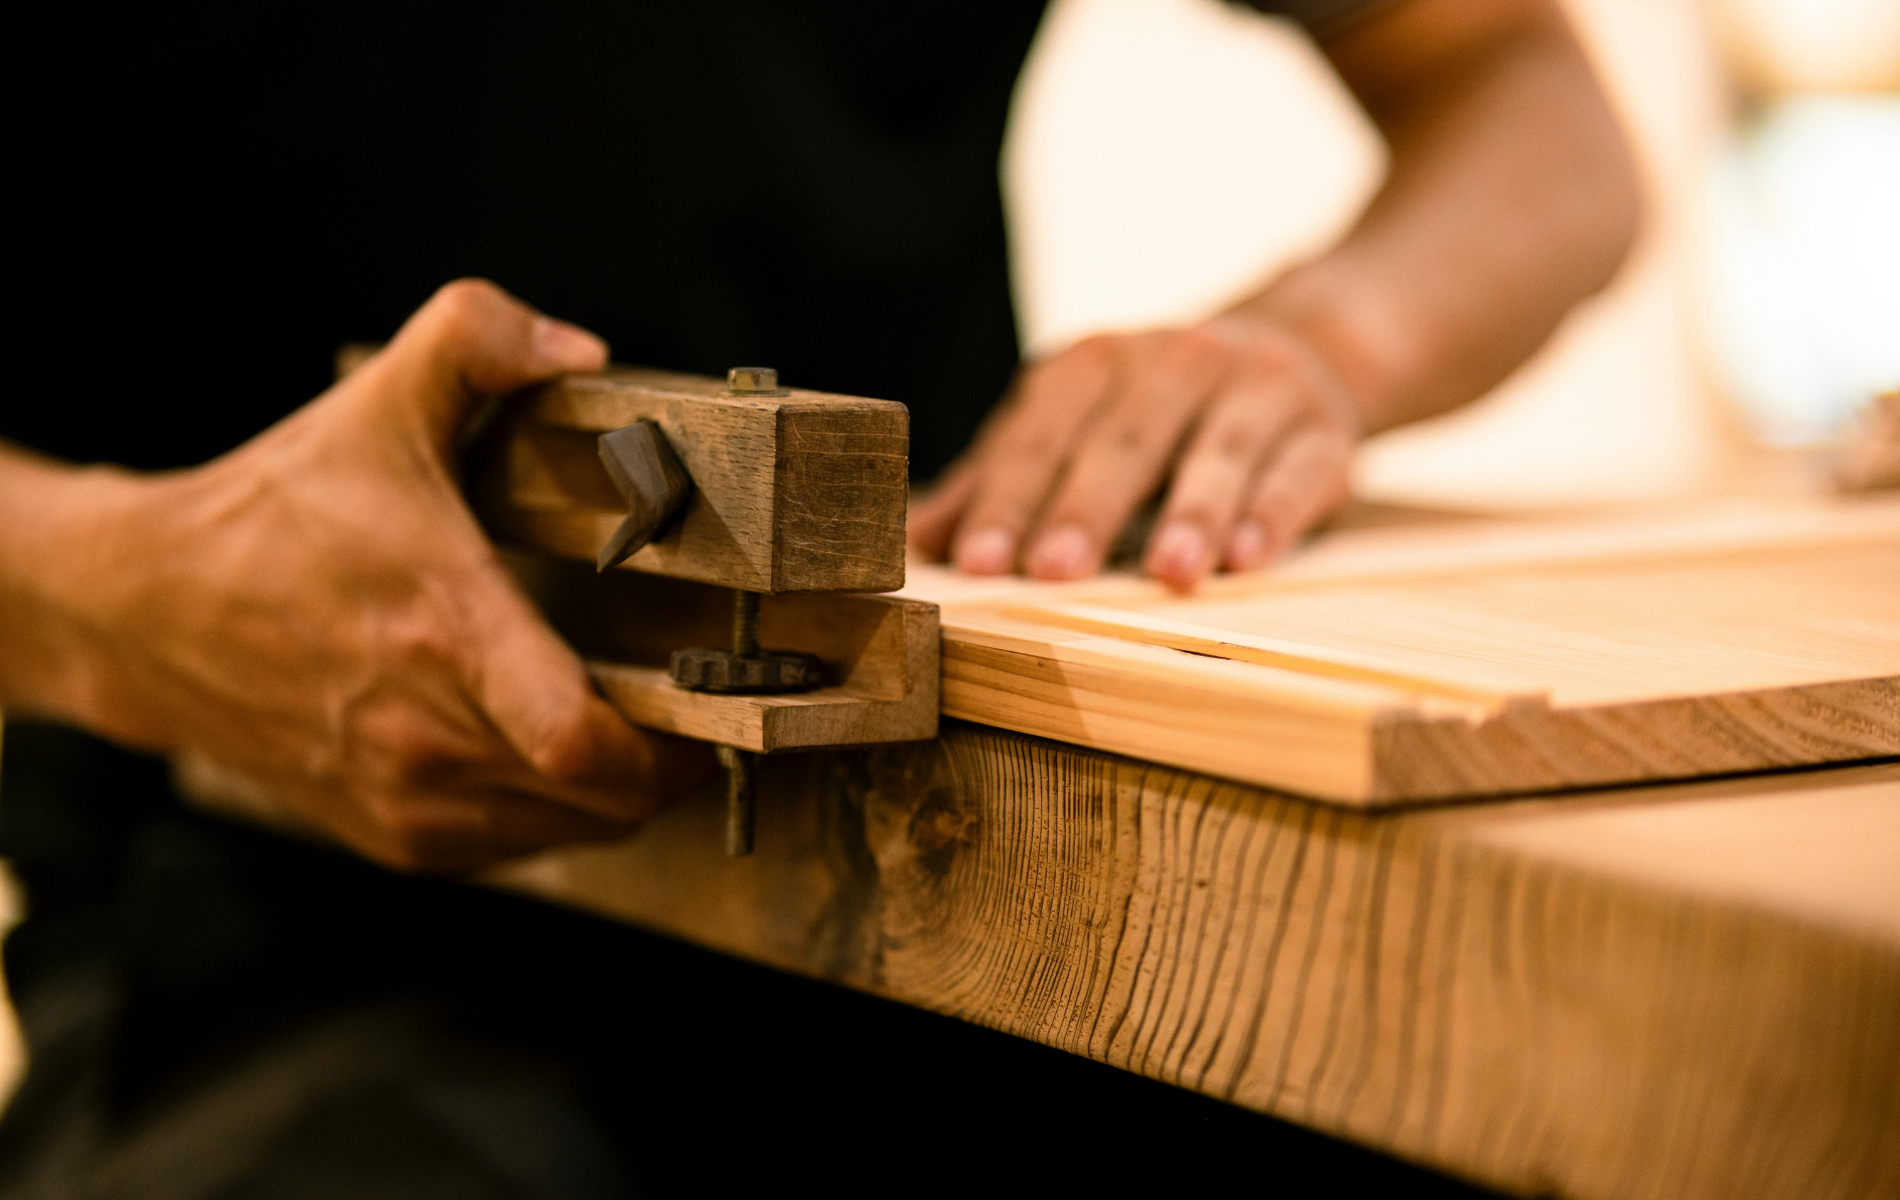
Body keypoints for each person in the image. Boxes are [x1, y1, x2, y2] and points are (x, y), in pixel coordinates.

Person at [0, 0, 1636, 1192]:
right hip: (269, 908)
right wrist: (109, 587)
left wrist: (1331, 341)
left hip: (984, 861)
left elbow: (1518, 84)